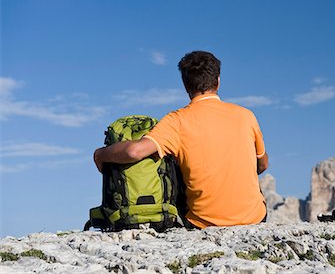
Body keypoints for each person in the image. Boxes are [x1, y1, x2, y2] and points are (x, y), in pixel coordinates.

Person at [94, 51, 269, 229]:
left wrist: (100, 155)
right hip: (254, 218)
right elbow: (262, 165)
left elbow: (134, 152)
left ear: (186, 86)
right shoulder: (246, 116)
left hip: (203, 223)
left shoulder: (176, 121)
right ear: (218, 80)